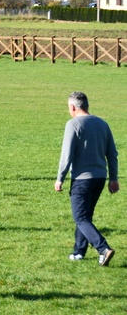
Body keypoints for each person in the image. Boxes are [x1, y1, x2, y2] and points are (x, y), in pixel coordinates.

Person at [55, 91, 119, 266]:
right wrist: (114, 178)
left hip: (82, 179)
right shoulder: (102, 123)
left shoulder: (73, 124)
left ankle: (103, 248)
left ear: (73, 107)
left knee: (80, 217)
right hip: (100, 177)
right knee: (85, 216)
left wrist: (60, 178)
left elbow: (66, 155)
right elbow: (112, 153)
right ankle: (79, 252)